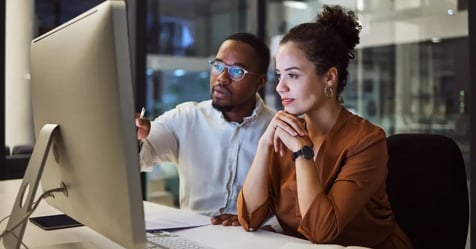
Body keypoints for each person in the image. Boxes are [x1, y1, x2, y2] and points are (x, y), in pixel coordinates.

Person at [237, 5, 414, 248]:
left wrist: (302, 152)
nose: (280, 87)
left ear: (329, 77)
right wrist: (264, 144)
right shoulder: (285, 133)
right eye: (279, 75)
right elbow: (249, 218)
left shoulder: (367, 140)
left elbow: (322, 231)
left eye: (293, 75)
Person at [136, 32, 275, 226]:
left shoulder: (277, 130)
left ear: (260, 82)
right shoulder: (186, 117)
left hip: (254, 237)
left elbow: (291, 206)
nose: (222, 78)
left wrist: (256, 221)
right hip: (192, 235)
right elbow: (141, 158)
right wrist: (135, 137)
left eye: (236, 72)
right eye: (218, 66)